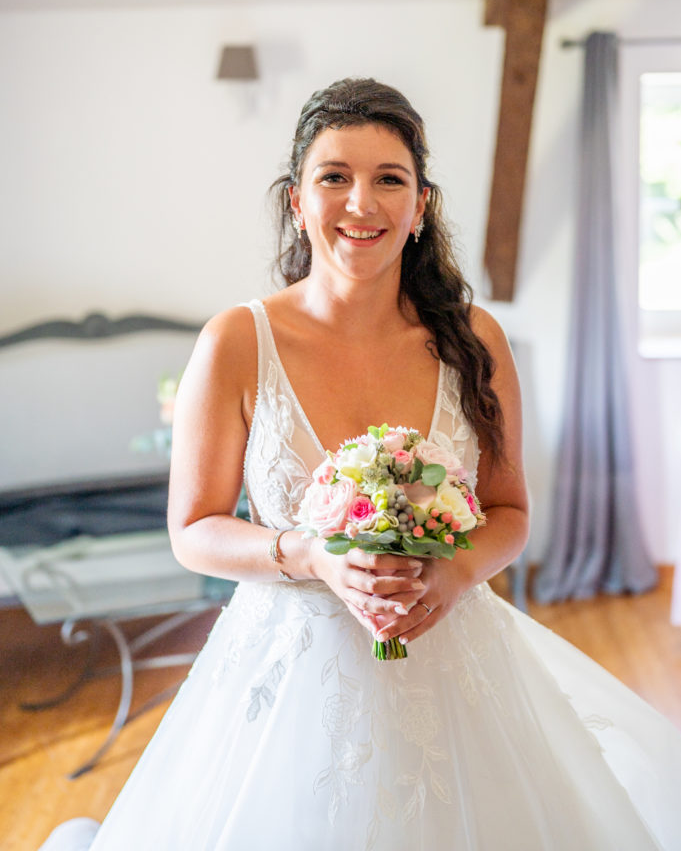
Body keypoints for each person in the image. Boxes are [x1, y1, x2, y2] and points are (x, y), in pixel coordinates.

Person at [40, 78, 681, 850]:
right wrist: (309, 553)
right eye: (333, 177)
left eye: (389, 179)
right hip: (287, 677)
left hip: (451, 659)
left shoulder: (474, 341)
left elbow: (510, 513)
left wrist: (449, 573)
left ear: (420, 207)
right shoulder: (236, 342)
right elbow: (193, 530)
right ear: (296, 200)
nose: (360, 203)